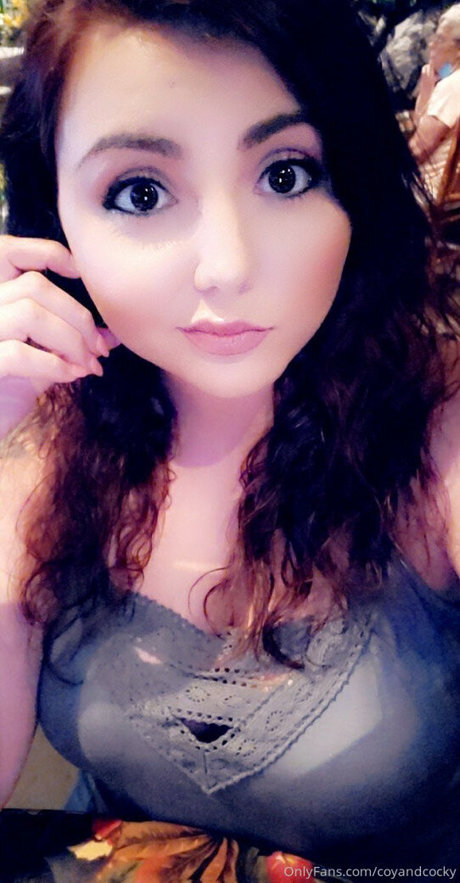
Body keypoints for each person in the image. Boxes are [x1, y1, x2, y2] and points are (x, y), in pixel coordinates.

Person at [0, 0, 459, 874]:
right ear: (53, 223)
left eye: (285, 174)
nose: (228, 266)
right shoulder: (43, 443)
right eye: (141, 193)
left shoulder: (437, 426)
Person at [410, 3, 460, 199]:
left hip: (423, 193)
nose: (431, 45)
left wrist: (424, 97)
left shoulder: (451, 87)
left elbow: (416, 152)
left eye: (439, 39)